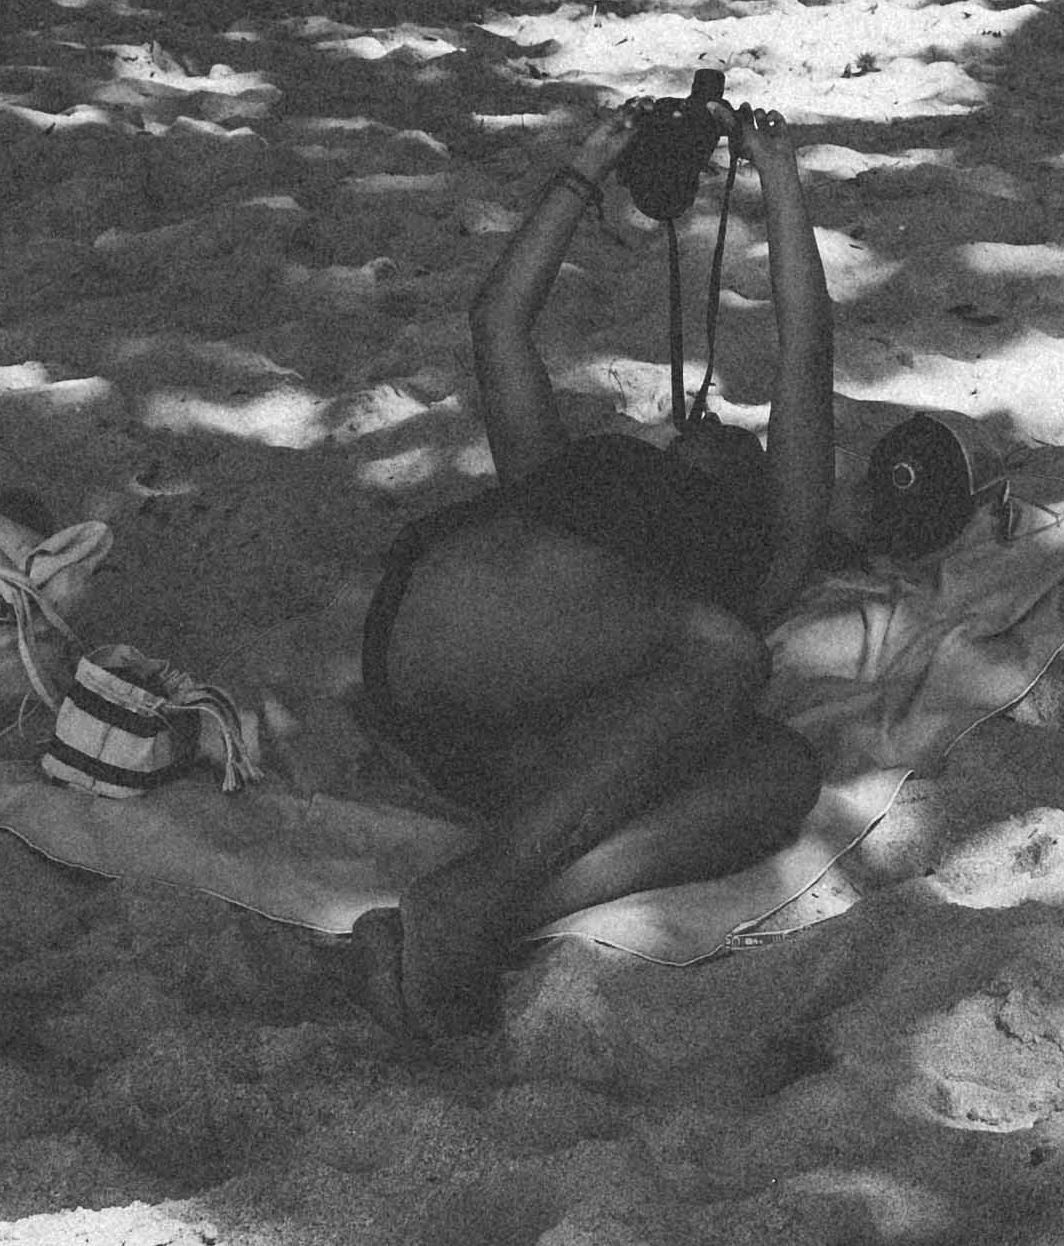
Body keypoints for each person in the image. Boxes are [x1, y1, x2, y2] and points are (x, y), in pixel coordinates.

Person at [349, 92, 841, 1041]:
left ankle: (485, 909)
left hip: (488, 727)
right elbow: (499, 323)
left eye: (740, 439)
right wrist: (590, 165)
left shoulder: (774, 545)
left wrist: (780, 175)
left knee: (775, 774)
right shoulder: (575, 479)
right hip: (471, 608)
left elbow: (806, 347)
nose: (713, 426)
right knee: (727, 656)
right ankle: (484, 896)